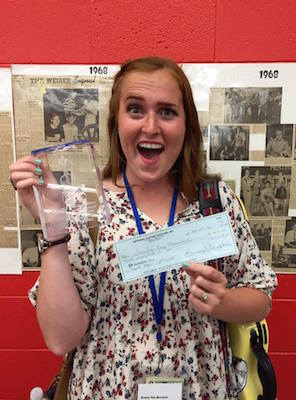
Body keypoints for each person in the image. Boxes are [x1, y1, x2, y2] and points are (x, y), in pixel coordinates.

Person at [9, 56, 277, 399]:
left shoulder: (214, 201)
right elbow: (61, 339)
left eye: (167, 111)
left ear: (186, 125)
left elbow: (261, 298)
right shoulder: (88, 207)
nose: (151, 126)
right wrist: (55, 231)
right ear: (116, 122)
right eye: (135, 109)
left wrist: (222, 302)